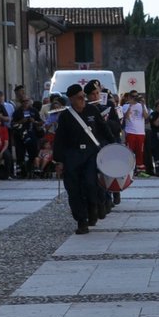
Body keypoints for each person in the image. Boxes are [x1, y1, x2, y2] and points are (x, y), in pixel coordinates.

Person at [52, 82, 115, 233]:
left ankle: (93, 206)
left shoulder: (92, 110)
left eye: (83, 97)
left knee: (90, 183)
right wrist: (59, 160)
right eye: (79, 98)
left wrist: (113, 146)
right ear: (71, 99)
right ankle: (81, 220)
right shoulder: (66, 116)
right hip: (72, 155)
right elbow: (59, 139)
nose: (82, 100)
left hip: (91, 154)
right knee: (74, 189)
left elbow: (104, 128)